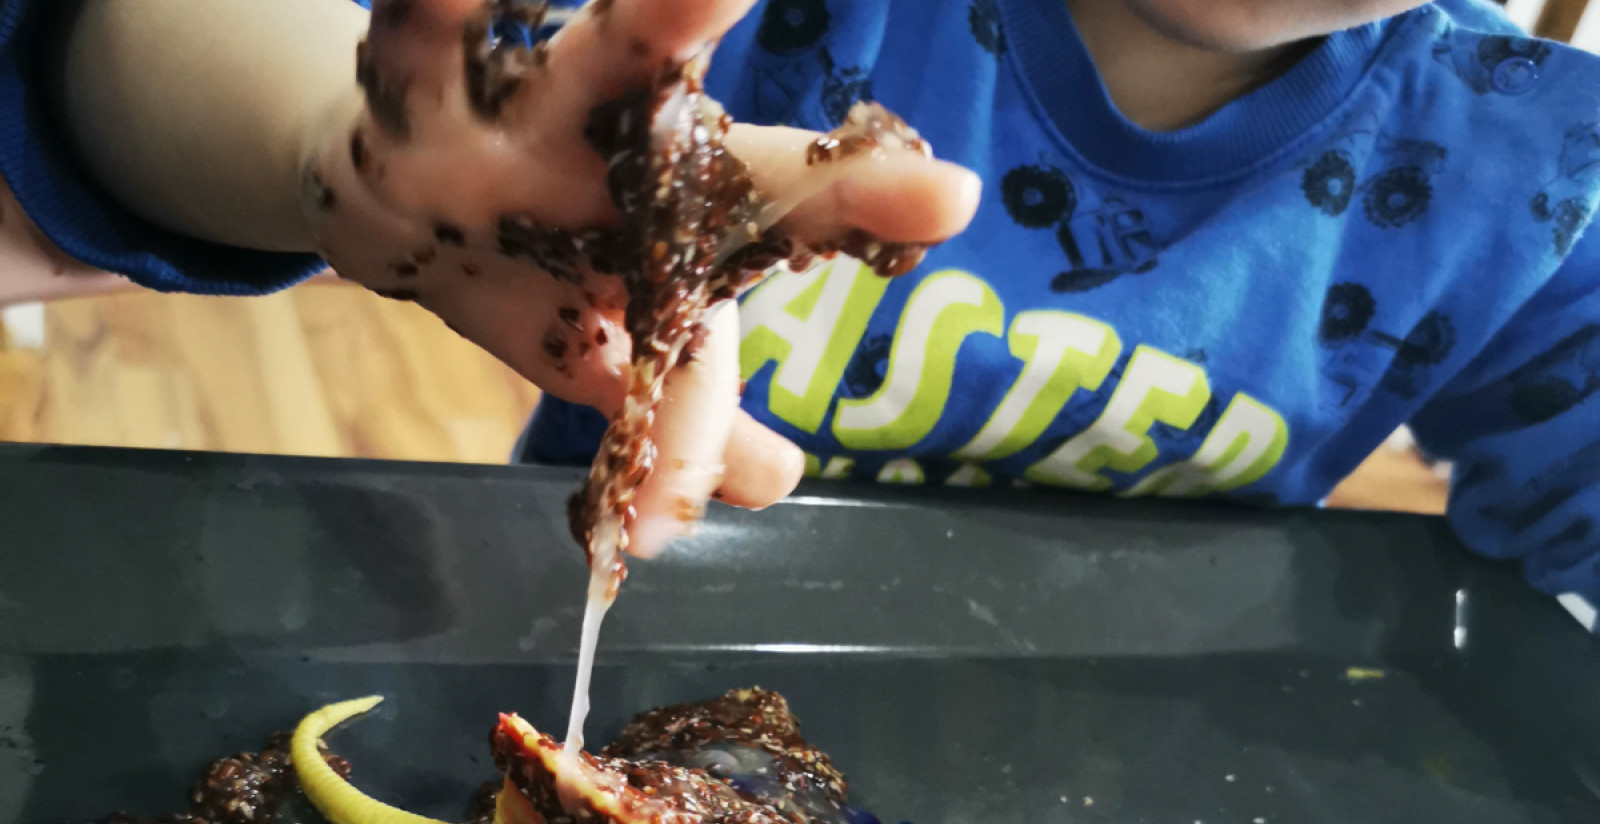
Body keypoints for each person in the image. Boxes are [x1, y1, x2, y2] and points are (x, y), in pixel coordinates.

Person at [1, 0, 1597, 606]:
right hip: (596, 662)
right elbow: (170, 37)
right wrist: (320, 150)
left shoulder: (1524, 174)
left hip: (1145, 796)